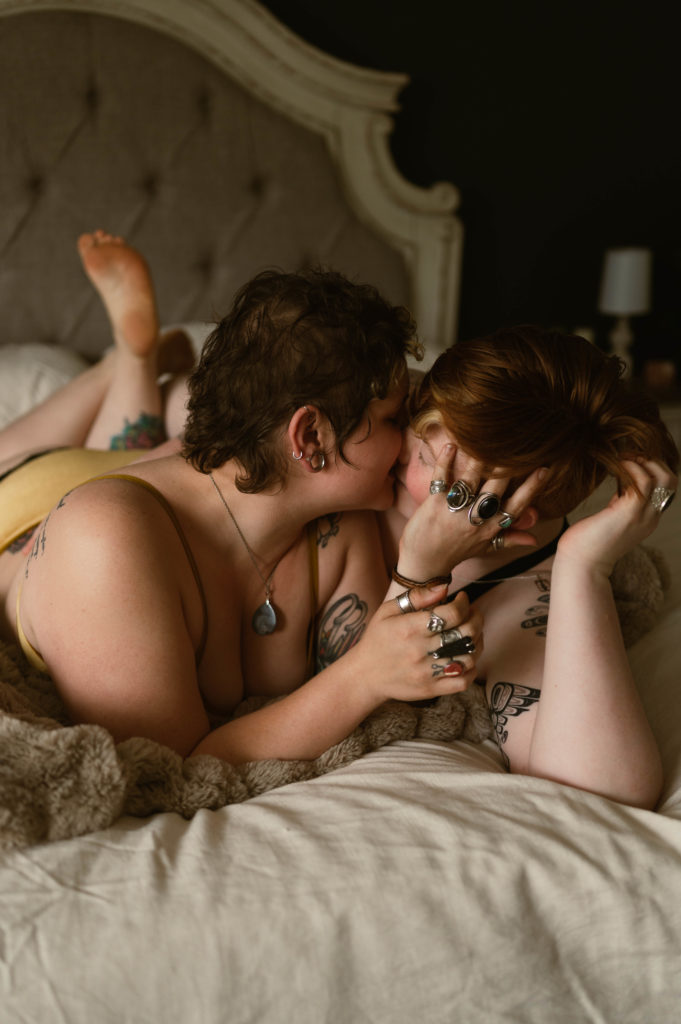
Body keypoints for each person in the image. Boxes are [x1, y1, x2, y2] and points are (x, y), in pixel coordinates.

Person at [0, 232, 542, 764]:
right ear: (310, 438)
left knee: (155, 446)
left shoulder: (338, 526)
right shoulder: (103, 542)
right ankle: (126, 361)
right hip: (23, 508)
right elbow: (165, 767)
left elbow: (393, 658)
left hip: (191, 477)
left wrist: (425, 560)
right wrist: (363, 677)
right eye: (391, 420)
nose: (406, 442)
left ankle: (137, 364)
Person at [378, 326, 678, 809]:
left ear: (507, 512)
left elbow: (604, 788)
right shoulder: (379, 411)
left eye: (427, 459)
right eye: (415, 418)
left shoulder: (521, 601)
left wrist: (584, 565)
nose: (394, 447)